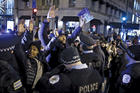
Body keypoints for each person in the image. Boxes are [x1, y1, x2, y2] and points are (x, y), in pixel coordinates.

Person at [36, 46, 103, 93]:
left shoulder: (65, 79)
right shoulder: (96, 74)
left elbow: (42, 86)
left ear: (65, 62)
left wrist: (52, 72)